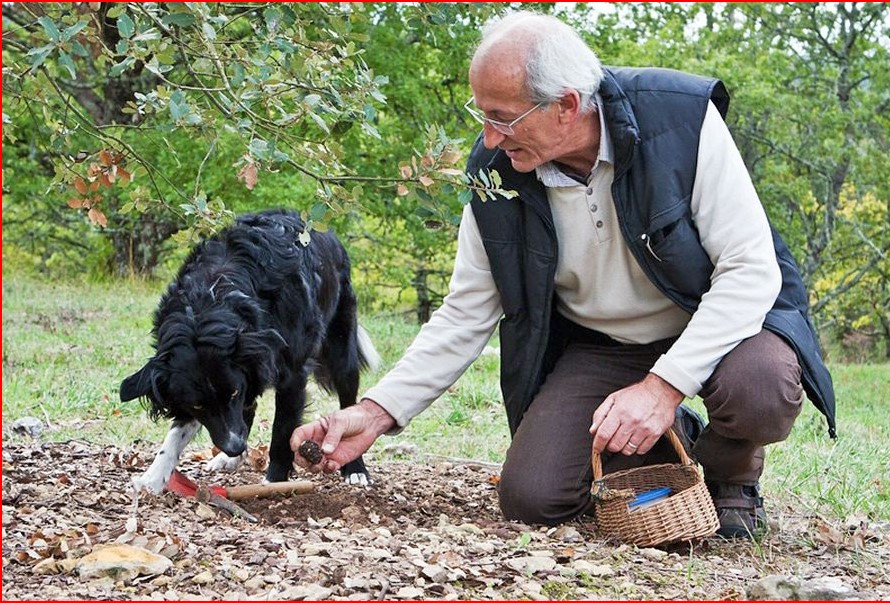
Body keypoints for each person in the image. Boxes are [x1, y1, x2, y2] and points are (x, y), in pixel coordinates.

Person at [290, 11, 836, 539]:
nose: (489, 139)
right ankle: (676, 442)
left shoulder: (682, 120)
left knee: (759, 390)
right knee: (533, 497)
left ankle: (732, 472)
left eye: (502, 117)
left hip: (713, 324)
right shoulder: (495, 176)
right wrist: (373, 413)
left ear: (567, 106)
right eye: (481, 114)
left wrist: (663, 387)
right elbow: (466, 312)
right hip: (603, 343)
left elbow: (749, 270)